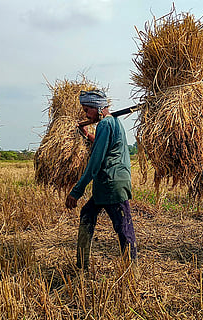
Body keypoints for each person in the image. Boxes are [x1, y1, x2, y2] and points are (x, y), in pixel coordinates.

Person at [65, 90, 137, 270]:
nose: (85, 114)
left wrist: (77, 191)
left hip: (112, 183)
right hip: (105, 184)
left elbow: (95, 161)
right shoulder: (112, 122)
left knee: (123, 227)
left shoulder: (106, 124)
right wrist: (86, 134)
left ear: (97, 108)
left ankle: (131, 270)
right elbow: (102, 144)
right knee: (87, 214)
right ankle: (82, 265)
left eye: (87, 109)